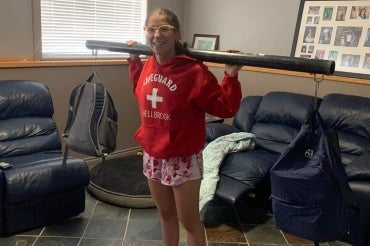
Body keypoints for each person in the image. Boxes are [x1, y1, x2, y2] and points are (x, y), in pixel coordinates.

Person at [126, 7, 242, 246]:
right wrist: (134, 60)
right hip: (153, 154)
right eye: (151, 29)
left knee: (189, 222)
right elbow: (140, 89)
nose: (156, 34)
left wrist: (230, 76)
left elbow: (225, 108)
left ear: (176, 33)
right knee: (165, 215)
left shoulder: (194, 71)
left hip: (182, 158)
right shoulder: (148, 65)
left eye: (164, 29)